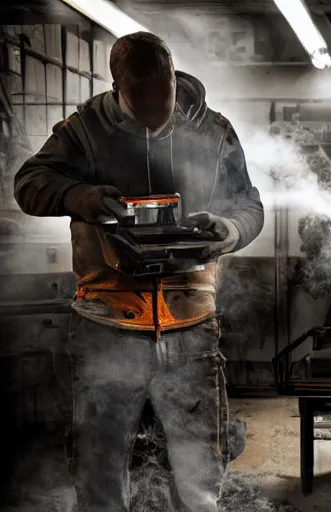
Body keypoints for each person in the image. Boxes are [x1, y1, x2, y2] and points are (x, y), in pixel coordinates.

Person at [14, 31, 264, 512]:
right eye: (141, 109)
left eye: (164, 104)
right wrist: (80, 196)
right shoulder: (84, 129)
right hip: (105, 324)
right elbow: (29, 183)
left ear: (174, 77)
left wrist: (229, 229)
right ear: (117, 88)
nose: (157, 119)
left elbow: (249, 206)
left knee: (200, 482)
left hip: (191, 327)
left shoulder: (213, 130)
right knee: (100, 480)